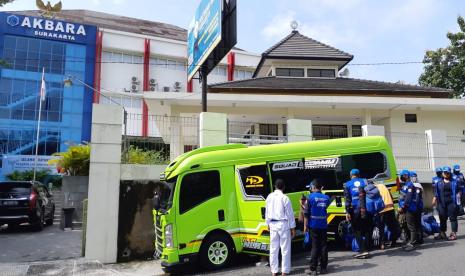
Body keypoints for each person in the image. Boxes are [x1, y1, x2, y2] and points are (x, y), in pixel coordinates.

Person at [265, 179, 296, 276]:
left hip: (273, 224)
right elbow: (290, 214)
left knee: (273, 249)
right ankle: (284, 271)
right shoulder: (285, 198)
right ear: (284, 187)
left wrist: (267, 223)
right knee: (285, 249)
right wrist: (293, 228)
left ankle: (274, 271)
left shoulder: (269, 197)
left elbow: (267, 212)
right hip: (283, 225)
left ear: (275, 186)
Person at [304, 180, 330, 275]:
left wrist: (305, 226)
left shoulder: (310, 197)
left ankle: (313, 269)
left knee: (315, 246)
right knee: (323, 246)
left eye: (311, 187)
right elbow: (324, 207)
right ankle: (323, 268)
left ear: (314, 187)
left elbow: (306, 213)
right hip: (323, 225)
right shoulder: (326, 197)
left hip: (313, 225)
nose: (310, 189)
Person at [344, 168, 371, 259]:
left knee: (356, 230)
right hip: (366, 208)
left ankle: (363, 250)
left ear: (351, 175)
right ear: (359, 175)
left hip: (355, 210)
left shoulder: (347, 184)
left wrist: (347, 211)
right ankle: (367, 248)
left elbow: (347, 199)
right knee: (366, 228)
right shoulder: (365, 181)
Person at [433, 166, 461, 241]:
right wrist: (434, 198)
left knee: (453, 218)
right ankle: (442, 233)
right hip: (441, 203)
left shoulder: (454, 182)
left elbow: (458, 191)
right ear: (442, 173)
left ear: (449, 173)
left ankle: (453, 234)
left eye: (447, 173)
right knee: (442, 218)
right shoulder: (439, 182)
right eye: (444, 172)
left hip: (451, 202)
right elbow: (436, 192)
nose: (446, 174)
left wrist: (458, 199)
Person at [398, 169, 420, 251]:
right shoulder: (405, 185)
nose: (400, 177)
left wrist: (402, 207)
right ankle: (410, 241)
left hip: (409, 208)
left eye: (401, 176)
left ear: (405, 176)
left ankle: (413, 243)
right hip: (406, 208)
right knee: (407, 225)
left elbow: (408, 198)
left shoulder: (410, 185)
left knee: (411, 226)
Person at [375, 182, 401, 249]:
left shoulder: (374, 188)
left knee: (381, 227)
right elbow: (391, 197)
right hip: (390, 208)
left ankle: (382, 244)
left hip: (381, 210)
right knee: (392, 226)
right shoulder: (384, 187)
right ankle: (393, 242)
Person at [410, 171, 424, 245]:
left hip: (416, 207)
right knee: (417, 223)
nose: (413, 178)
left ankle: (419, 239)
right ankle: (419, 238)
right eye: (412, 177)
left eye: (414, 177)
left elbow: (418, 198)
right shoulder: (417, 185)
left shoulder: (416, 185)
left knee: (416, 223)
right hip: (418, 206)